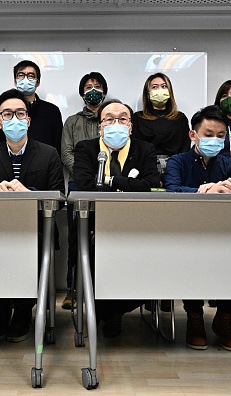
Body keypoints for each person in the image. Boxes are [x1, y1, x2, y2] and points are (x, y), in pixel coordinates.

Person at [163, 105, 231, 352]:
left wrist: (229, 189)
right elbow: (171, 190)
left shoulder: (229, 164)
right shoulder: (178, 161)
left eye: (220, 135)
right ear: (193, 135)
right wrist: (204, 190)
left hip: (225, 233)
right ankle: (194, 317)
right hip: (185, 233)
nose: (215, 140)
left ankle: (224, 319)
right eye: (208, 134)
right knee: (187, 258)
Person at [0, 89, 64, 342]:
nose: (15, 118)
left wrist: (30, 192)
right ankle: (1, 310)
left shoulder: (48, 153)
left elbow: (60, 196)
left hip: (37, 228)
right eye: (7, 114)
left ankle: (24, 311)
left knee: (31, 249)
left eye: (20, 113)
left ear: (28, 120)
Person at [73, 99, 160, 337]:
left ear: (131, 126)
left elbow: (151, 185)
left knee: (143, 258)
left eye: (122, 119)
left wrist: (111, 181)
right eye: (109, 119)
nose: (116, 124)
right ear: (100, 126)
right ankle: (99, 309)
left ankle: (116, 310)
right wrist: (129, 184)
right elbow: (86, 184)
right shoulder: (85, 148)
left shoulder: (145, 149)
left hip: (136, 223)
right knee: (91, 257)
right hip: (94, 222)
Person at [60, 71, 108, 310]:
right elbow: (66, 153)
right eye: (88, 86)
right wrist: (85, 175)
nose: (93, 90)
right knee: (76, 241)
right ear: (82, 93)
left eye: (97, 86)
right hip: (78, 189)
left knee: (106, 239)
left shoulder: (113, 119)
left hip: (110, 190)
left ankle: (103, 289)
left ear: (105, 92)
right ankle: (73, 289)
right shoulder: (72, 122)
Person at [131, 72, 190, 174]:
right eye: (154, 87)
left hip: (175, 168)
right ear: (148, 94)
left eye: (164, 86)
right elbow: (134, 148)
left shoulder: (180, 118)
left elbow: (185, 149)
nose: (160, 90)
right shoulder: (137, 118)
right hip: (145, 168)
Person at [13, 60, 63, 154]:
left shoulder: (52, 111)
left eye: (31, 76)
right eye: (21, 75)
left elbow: (58, 146)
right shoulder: (6, 110)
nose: (25, 79)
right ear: (15, 81)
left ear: (38, 82)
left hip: (44, 164)